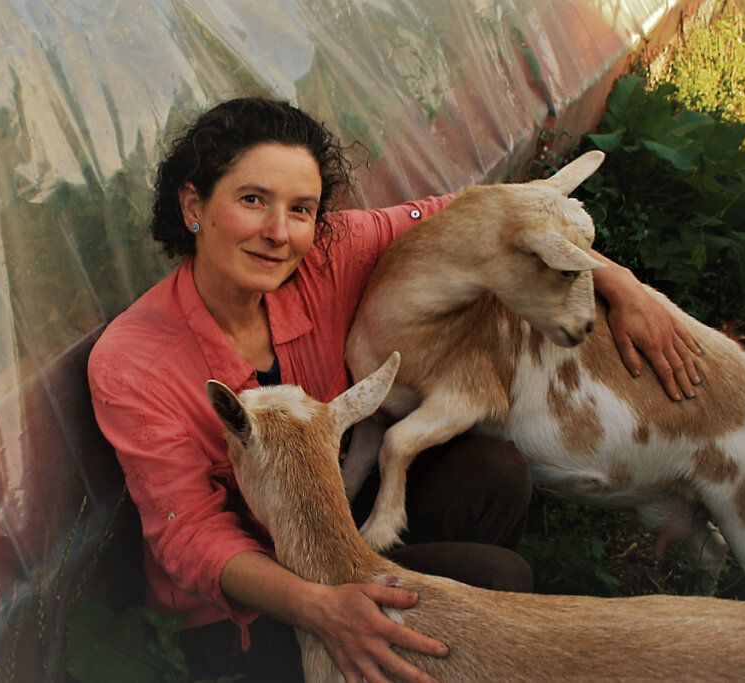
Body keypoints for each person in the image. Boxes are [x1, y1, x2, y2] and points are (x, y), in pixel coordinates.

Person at [88, 97, 701, 683]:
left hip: (339, 523)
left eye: (301, 208)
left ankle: (427, 642)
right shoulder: (132, 362)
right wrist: (319, 608)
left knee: (496, 473)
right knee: (499, 578)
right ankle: (400, 639)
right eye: (253, 200)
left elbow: (478, 215)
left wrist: (617, 283)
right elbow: (188, 534)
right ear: (193, 204)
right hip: (247, 605)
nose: (279, 232)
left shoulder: (326, 256)